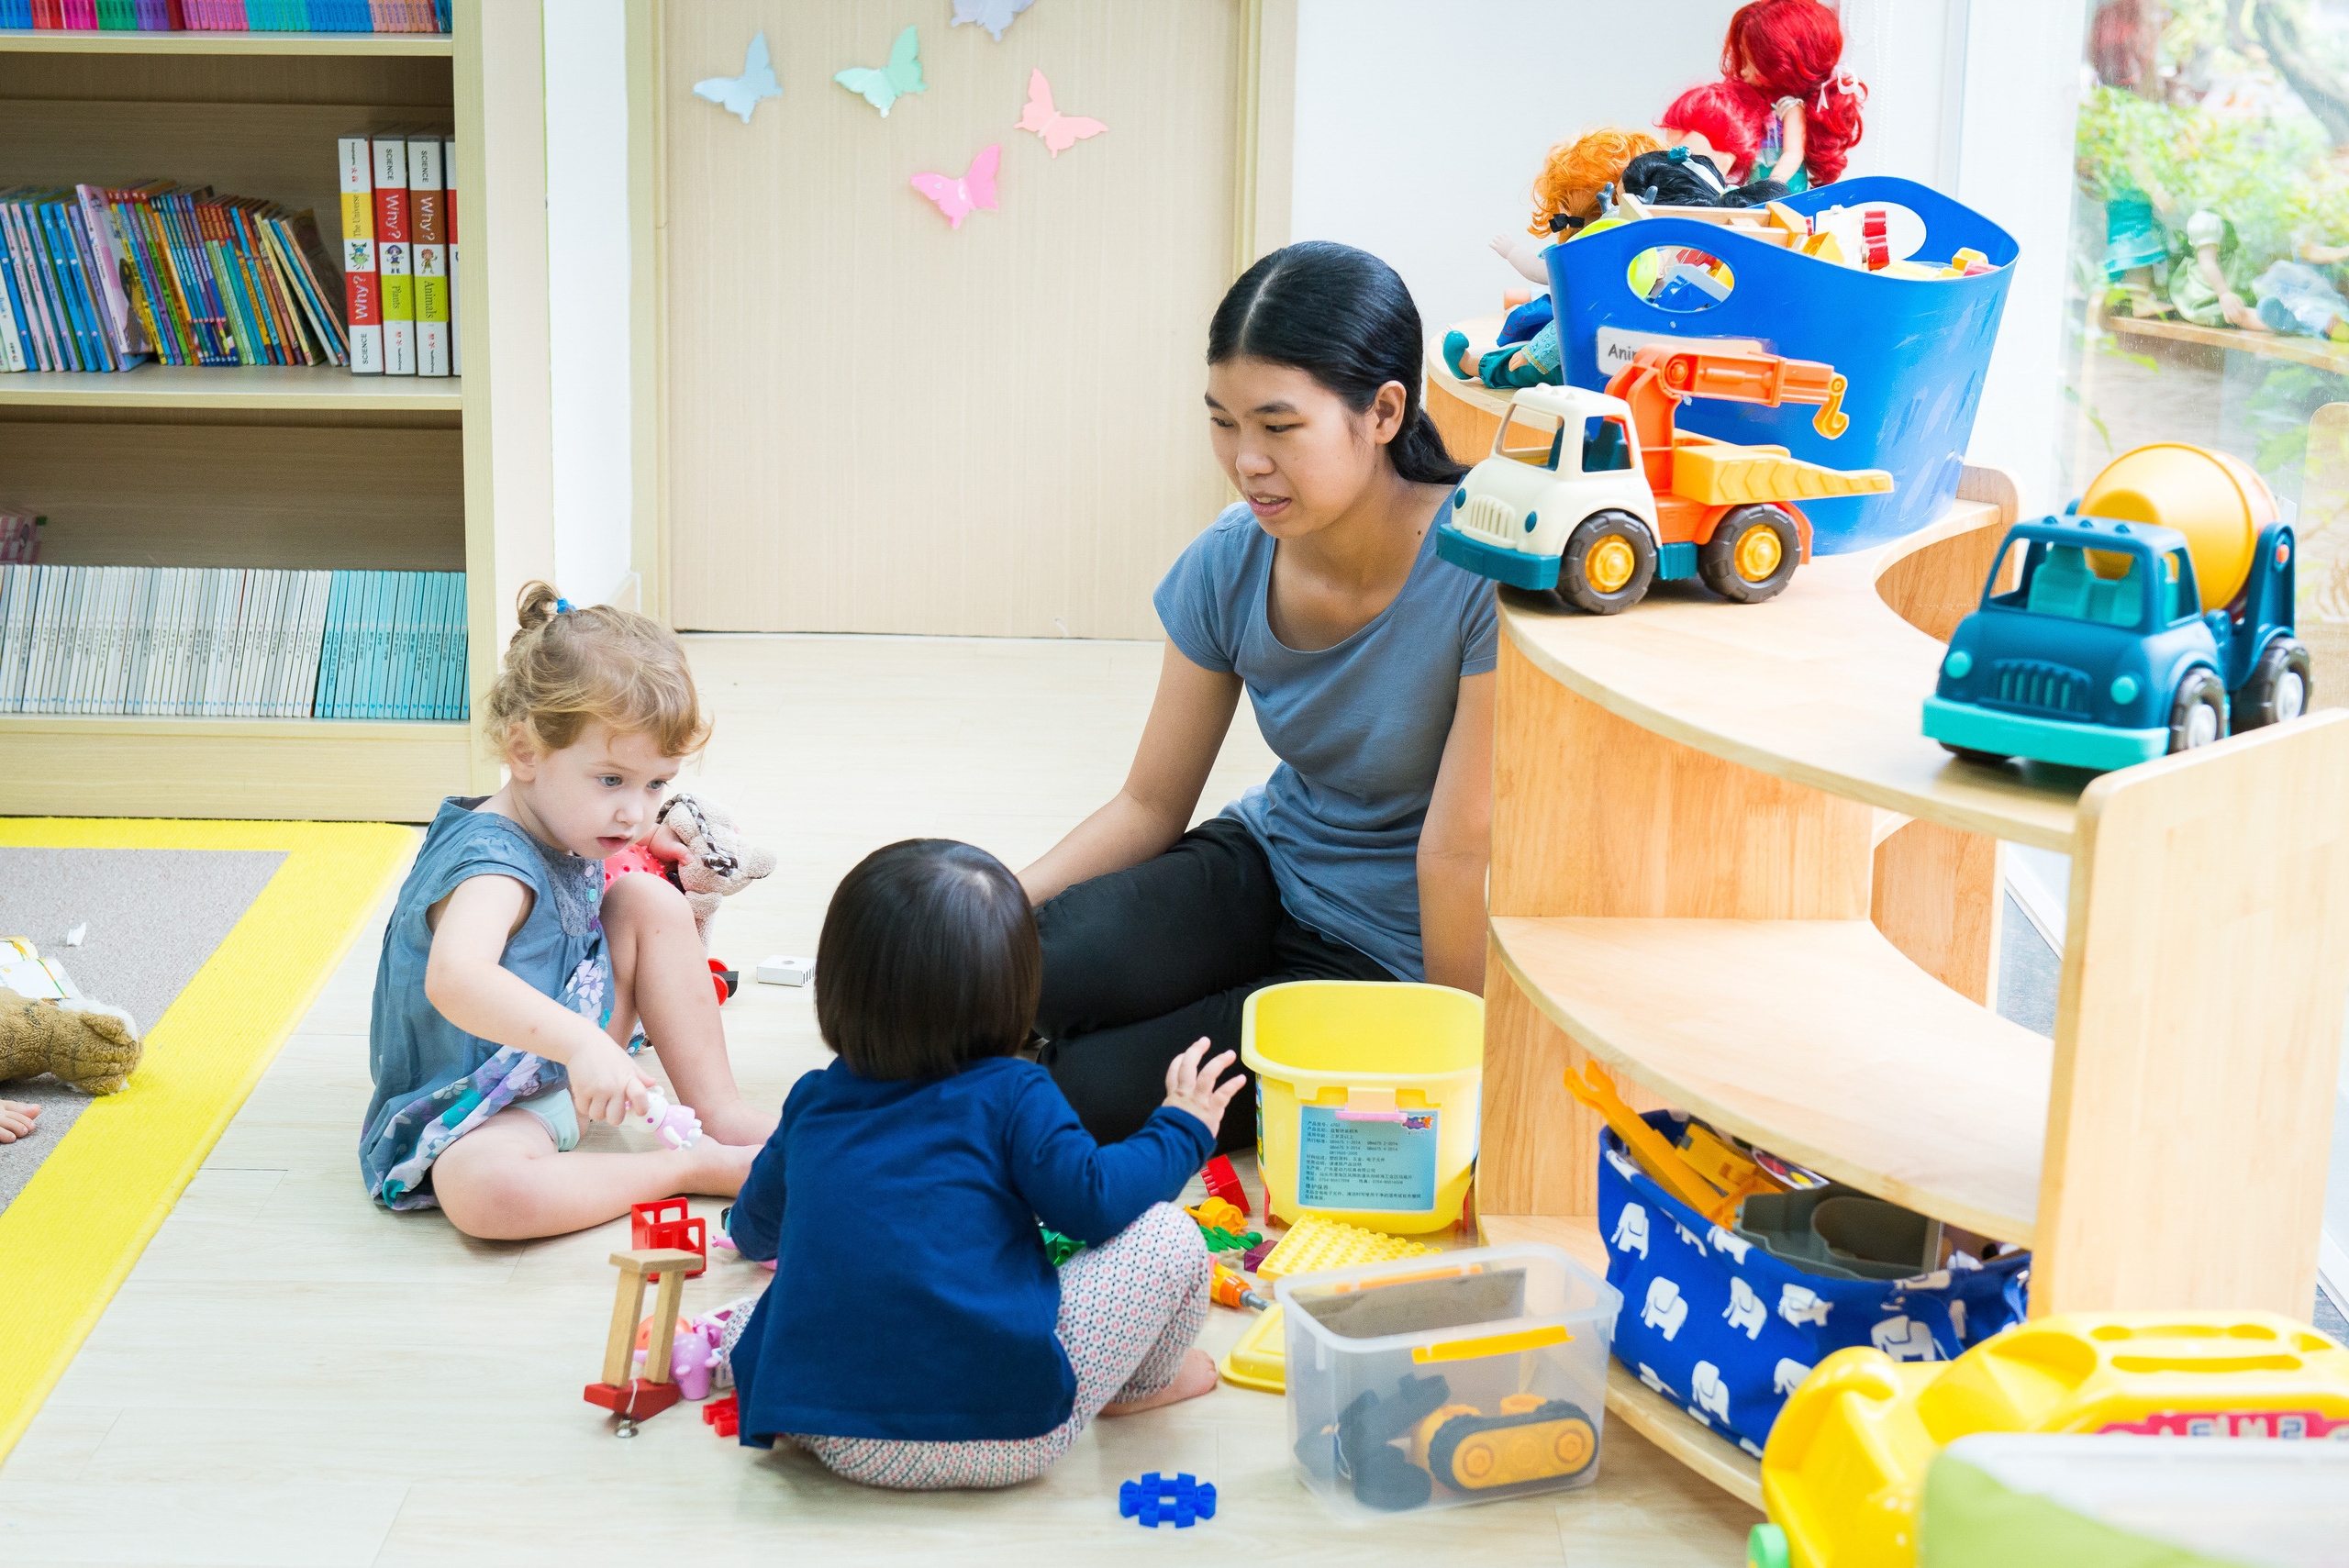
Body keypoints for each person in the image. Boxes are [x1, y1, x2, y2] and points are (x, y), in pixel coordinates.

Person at [1019, 240, 1497, 1151]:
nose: (1246, 461)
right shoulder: (1231, 556)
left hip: (1387, 956)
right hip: (1269, 865)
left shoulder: (1479, 568)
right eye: (1223, 422)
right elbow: (1150, 801)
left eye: (1279, 426)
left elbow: (1458, 848)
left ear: (1384, 411)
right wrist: (986, 912)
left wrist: (1454, 1068)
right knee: (1024, 966)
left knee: (1086, 1091)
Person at [718, 839, 1235, 1488]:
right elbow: (1096, 1201)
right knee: (1172, 1235)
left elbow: (757, 1226)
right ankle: (1137, 1385)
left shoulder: (814, 1099)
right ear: (1013, 994)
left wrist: (747, 1230)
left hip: (835, 1434)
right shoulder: (1017, 1093)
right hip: (1008, 1433)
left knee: (780, 1296)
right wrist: (1182, 1127)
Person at [358, 583, 773, 1238]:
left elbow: (608, 884)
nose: (635, 811)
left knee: (646, 899)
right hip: (484, 1100)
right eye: (612, 780)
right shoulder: (493, 866)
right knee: (482, 1192)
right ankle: (689, 1167)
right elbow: (455, 977)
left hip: (567, 1053)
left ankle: (720, 1111)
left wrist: (655, 842)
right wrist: (582, 1043)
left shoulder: (565, 813)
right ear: (524, 752)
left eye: (657, 783)